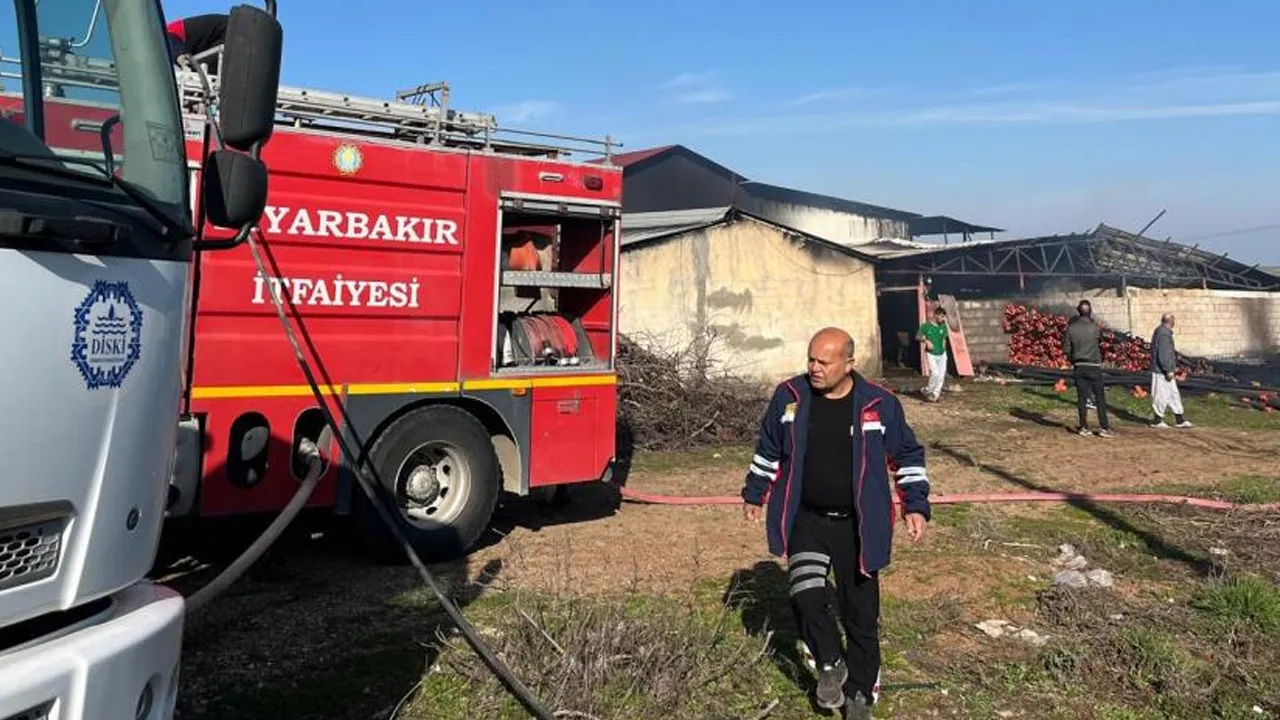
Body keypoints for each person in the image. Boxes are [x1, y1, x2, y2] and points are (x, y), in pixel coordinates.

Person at [741, 327, 931, 719]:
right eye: (810, 359)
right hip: (807, 519)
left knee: (860, 614)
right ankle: (830, 663)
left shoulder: (879, 404)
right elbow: (769, 447)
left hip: (858, 526)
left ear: (849, 363)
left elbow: (908, 455)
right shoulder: (789, 397)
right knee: (806, 595)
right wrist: (755, 491)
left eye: (823, 362)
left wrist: (915, 504)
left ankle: (860, 693)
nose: (814, 368)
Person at [1062, 299, 1113, 437]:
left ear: (1078, 311)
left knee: (1082, 398)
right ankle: (1104, 428)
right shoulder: (1095, 328)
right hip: (1094, 366)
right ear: (1090, 312)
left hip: (1079, 366)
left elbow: (1066, 349)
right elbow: (1102, 343)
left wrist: (1073, 359)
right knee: (1100, 397)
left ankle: (1084, 427)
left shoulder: (1071, 329)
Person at [1149, 313, 1193, 429]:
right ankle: (1157, 420)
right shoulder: (1163, 334)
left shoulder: (1163, 332)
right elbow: (1164, 354)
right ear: (1171, 321)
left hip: (1165, 370)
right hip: (1161, 371)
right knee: (1160, 395)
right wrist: (1168, 369)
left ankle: (1179, 419)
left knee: (1173, 394)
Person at [915, 305, 950, 402]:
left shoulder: (943, 326)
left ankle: (935, 395)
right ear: (936, 315)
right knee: (935, 373)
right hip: (931, 354)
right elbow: (917, 337)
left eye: (944, 317)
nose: (943, 319)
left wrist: (943, 345)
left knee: (941, 375)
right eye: (942, 316)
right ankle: (928, 390)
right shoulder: (926, 326)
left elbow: (944, 338)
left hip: (942, 354)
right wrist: (926, 341)